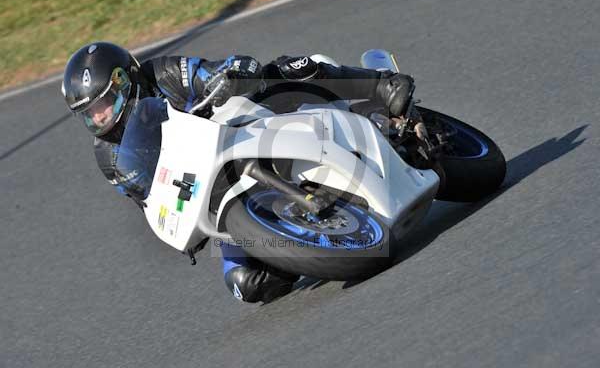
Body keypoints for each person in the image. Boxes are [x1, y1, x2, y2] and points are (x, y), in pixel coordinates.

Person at [61, 42, 415, 303]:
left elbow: (207, 73)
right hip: (213, 187)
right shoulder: (108, 157)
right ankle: (302, 241)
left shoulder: (161, 73)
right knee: (247, 283)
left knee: (283, 71)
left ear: (126, 81)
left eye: (103, 105)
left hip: (239, 124)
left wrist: (230, 71)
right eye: (89, 113)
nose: (99, 118)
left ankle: (379, 83)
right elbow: (149, 199)